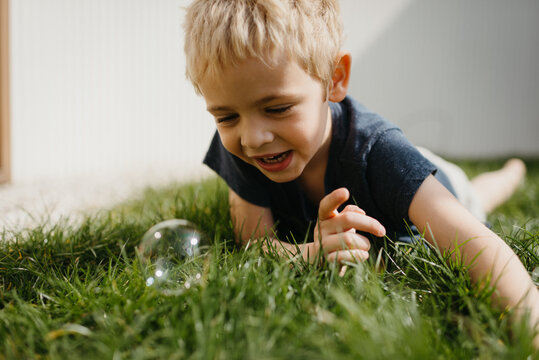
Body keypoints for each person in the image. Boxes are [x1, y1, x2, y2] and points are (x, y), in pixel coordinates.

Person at [183, 0, 538, 347]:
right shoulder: (244, 147)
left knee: (476, 198)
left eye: (278, 108)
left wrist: (532, 330)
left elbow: (474, 242)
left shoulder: (378, 153)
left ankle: (512, 171)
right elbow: (254, 241)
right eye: (226, 117)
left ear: (334, 80)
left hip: (434, 181)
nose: (252, 138)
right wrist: (313, 251)